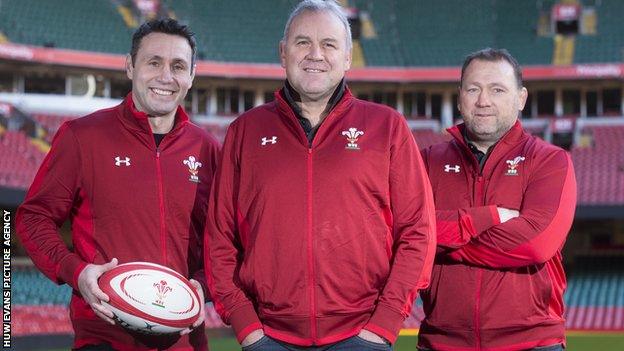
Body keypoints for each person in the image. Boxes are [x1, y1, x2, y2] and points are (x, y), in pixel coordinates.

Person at [204, 1, 436, 350]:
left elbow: (418, 230)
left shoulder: (387, 128)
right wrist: (246, 326)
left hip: (363, 335)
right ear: (283, 53)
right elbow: (219, 238)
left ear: (347, 57)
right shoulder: (244, 132)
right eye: (302, 42)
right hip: (268, 337)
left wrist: (384, 323)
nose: (315, 54)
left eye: (329, 44)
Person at [16, 18, 219, 351]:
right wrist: (76, 271)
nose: (166, 76)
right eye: (154, 62)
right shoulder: (83, 137)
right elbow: (31, 218)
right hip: (104, 336)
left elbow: (227, 243)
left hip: (183, 341)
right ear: (130, 66)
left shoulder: (209, 150)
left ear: (192, 76)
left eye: (178, 66)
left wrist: (203, 286)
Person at [418, 48, 577, 351]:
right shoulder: (425, 162)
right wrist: (485, 219)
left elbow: (534, 244)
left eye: (497, 90)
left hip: (532, 343)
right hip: (441, 343)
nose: (483, 101)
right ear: (460, 95)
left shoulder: (550, 161)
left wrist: (440, 238)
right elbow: (403, 230)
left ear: (521, 98)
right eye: (473, 89)